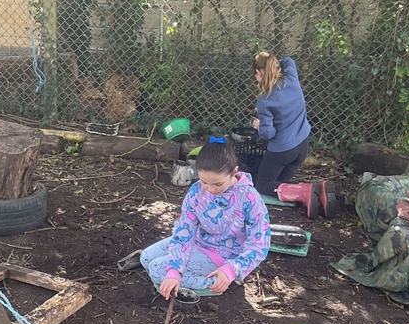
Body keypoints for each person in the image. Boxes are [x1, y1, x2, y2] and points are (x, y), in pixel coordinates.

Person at [141, 138, 271, 300]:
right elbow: (185, 230)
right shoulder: (196, 190)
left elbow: (259, 245)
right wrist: (175, 269)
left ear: (234, 171)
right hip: (198, 242)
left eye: (218, 184)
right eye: (204, 182)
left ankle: (218, 281)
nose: (210, 189)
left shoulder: (250, 199)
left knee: (156, 270)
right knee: (145, 258)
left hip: (225, 255)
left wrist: (232, 269)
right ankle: (190, 274)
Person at [251, 52, 336, 219]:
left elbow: (268, 133)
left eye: (256, 74)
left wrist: (260, 126)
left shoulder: (265, 100)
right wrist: (273, 63)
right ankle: (319, 189)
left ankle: (305, 191)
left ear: (259, 73)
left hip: (282, 151)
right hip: (302, 146)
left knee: (263, 185)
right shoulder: (291, 78)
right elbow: (289, 60)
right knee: (281, 183)